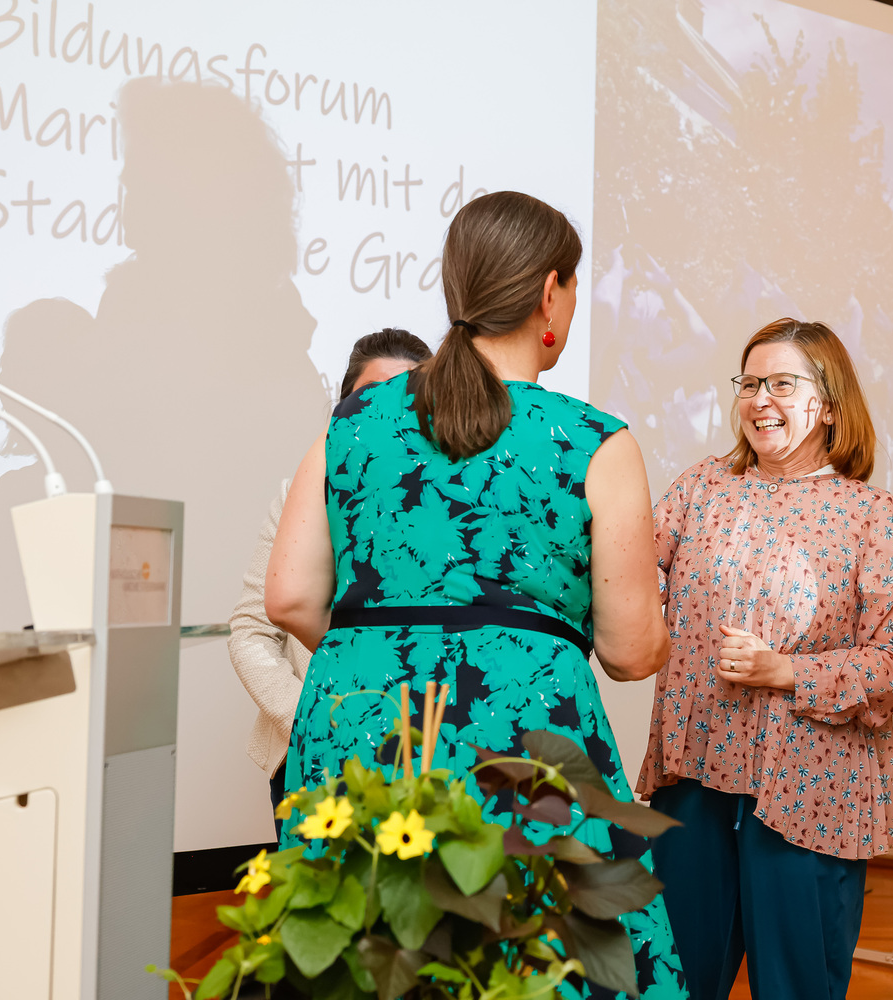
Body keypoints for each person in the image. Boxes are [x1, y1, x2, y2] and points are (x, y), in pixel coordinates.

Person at [264, 191, 685, 997]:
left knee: (363, 957)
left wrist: (388, 657)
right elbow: (633, 652)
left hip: (362, 722)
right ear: (550, 293)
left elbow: (286, 597)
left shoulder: (350, 423)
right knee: (533, 964)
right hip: (521, 733)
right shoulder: (595, 441)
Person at [638, 318, 893, 1000]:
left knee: (796, 987)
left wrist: (787, 673)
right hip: (696, 772)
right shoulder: (701, 487)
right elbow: (630, 577)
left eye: (782, 384)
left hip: (810, 787)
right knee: (674, 981)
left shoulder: (869, 514)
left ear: (829, 404)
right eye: (750, 383)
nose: (760, 399)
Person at [228, 328, 432, 834]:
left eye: (409, 397)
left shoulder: (451, 504)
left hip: (424, 750)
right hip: (314, 749)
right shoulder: (301, 495)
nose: (391, 411)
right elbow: (250, 632)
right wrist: (314, 719)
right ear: (343, 409)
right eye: (372, 397)